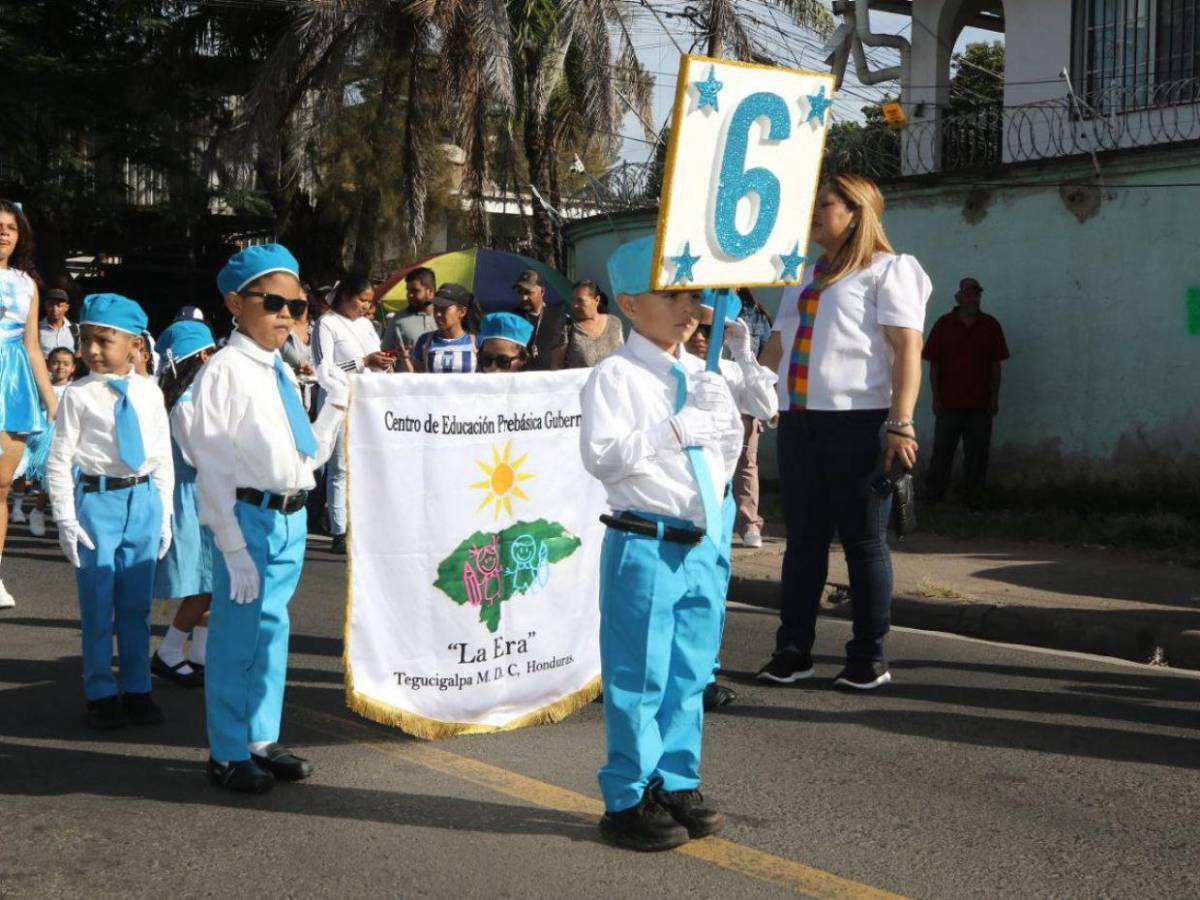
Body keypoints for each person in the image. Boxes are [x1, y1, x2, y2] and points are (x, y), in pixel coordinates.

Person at [580, 238, 744, 852]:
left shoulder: (698, 374)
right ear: (627, 303)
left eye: (692, 295)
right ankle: (627, 794)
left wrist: (729, 392)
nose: (689, 308)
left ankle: (675, 779)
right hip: (645, 538)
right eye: (671, 295)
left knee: (690, 671)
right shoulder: (616, 375)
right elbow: (602, 456)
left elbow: (726, 453)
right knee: (640, 673)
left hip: (700, 541)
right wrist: (671, 428)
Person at [756, 174, 930, 691]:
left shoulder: (889, 271)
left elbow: (906, 350)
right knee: (802, 542)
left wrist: (901, 422)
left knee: (863, 544)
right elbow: (777, 347)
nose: (813, 212)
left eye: (824, 204)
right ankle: (793, 651)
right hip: (800, 423)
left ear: (856, 212)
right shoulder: (804, 274)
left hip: (861, 423)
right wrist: (752, 390)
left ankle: (868, 657)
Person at [190, 243, 349, 794]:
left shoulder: (279, 370)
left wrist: (334, 409)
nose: (287, 314)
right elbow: (209, 464)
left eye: (298, 306)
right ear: (236, 303)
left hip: (290, 517)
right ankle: (227, 751)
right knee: (236, 639)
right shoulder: (226, 371)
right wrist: (231, 546)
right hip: (248, 515)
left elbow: (305, 460)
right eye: (273, 301)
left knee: (273, 632)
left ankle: (260, 738)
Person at [46, 293, 174, 729]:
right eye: (85, 340)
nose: (92, 351)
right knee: (99, 601)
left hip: (143, 500)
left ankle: (138, 687)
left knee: (136, 605)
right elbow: (60, 459)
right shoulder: (79, 396)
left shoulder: (150, 392)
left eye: (104, 340)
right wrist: (65, 516)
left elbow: (161, 455)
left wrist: (166, 515)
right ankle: (101, 690)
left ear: (135, 345)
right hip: (97, 501)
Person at [150, 319, 219, 689]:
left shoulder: (199, 398)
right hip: (195, 497)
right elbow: (200, 456)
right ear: (196, 358)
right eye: (208, 353)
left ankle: (200, 655)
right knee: (203, 582)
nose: (214, 359)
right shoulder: (186, 404)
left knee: (212, 581)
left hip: (207, 494)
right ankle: (169, 651)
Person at [0, 199, 60, 610]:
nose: (4, 232)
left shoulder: (26, 283)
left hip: (14, 384)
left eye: (11, 227)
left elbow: (33, 348)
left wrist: (52, 401)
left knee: (1, 486)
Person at [312, 273, 391, 554]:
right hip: (339, 398)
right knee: (340, 466)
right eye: (362, 300)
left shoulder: (367, 326)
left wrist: (382, 364)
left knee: (365, 464)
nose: (366, 307)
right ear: (345, 296)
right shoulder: (327, 324)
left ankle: (363, 525)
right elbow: (324, 368)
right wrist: (362, 361)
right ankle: (339, 529)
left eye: (370, 302)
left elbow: (375, 356)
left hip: (367, 400)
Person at [922, 277, 1009, 509]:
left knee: (978, 454)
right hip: (949, 403)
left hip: (980, 404)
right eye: (969, 294)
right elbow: (934, 364)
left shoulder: (990, 325)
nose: (974, 298)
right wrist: (936, 398)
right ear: (958, 297)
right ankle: (934, 497)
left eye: (977, 294)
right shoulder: (943, 325)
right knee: (942, 453)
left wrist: (994, 397)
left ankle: (973, 499)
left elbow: (995, 365)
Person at [732, 289, 773, 549]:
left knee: (747, 461)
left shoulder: (757, 315)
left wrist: (766, 398)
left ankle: (749, 524)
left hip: (746, 397)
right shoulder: (701, 307)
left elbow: (768, 361)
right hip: (711, 393)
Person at [21, 346, 75, 538]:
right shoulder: (42, 387)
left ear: (73, 368)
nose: (61, 367)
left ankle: (64, 518)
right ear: (48, 365)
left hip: (72, 438)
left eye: (66, 363)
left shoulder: (76, 388)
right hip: (48, 438)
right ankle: (38, 511)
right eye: (56, 362)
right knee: (48, 478)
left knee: (70, 480)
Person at [406, 283, 481, 374]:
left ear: (462, 312)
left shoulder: (477, 342)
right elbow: (417, 377)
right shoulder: (424, 340)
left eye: (444, 309)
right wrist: (403, 360)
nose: (438, 314)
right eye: (436, 308)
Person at [555, 280, 624, 369]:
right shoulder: (567, 327)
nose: (574, 305)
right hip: (581, 382)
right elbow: (556, 365)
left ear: (596, 300)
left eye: (580, 301)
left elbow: (623, 357)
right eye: (572, 300)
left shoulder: (615, 323)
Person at [514, 269, 565, 370]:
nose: (523, 298)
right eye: (520, 292)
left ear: (542, 292)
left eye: (528, 293)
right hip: (520, 380)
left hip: (549, 380)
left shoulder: (558, 317)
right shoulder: (513, 317)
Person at [382, 267, 438, 354]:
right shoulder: (398, 320)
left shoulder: (444, 318)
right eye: (408, 290)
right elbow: (385, 353)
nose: (410, 295)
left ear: (431, 292)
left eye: (415, 291)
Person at [280, 297, 316, 412]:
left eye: (301, 300)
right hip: (290, 398)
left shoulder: (319, 327)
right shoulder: (281, 330)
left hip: (319, 398)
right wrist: (293, 372)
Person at [39, 287, 76, 357]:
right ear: (45, 306)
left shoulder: (76, 330)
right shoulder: (35, 330)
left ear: (66, 307)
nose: (54, 309)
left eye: (59, 305)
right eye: (51, 304)